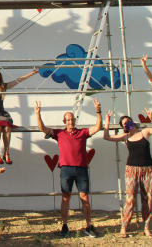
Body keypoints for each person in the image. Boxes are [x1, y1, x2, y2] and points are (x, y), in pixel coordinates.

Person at [35, 98, 103, 238]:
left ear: (74, 121)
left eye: (72, 119)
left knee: (84, 197)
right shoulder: (59, 134)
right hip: (66, 170)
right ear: (64, 122)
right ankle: (64, 226)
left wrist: (98, 111)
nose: (70, 122)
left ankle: (88, 226)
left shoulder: (82, 133)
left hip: (82, 169)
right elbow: (42, 128)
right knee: (66, 198)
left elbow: (97, 127)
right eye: (68, 120)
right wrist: (37, 113)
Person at [103, 109, 152, 240]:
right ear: (123, 127)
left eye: (128, 121)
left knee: (147, 199)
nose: (127, 124)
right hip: (132, 170)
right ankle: (124, 227)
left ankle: (147, 228)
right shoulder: (125, 137)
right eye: (124, 124)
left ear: (132, 122)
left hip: (147, 169)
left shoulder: (145, 132)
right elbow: (106, 137)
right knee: (130, 199)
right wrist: (107, 122)